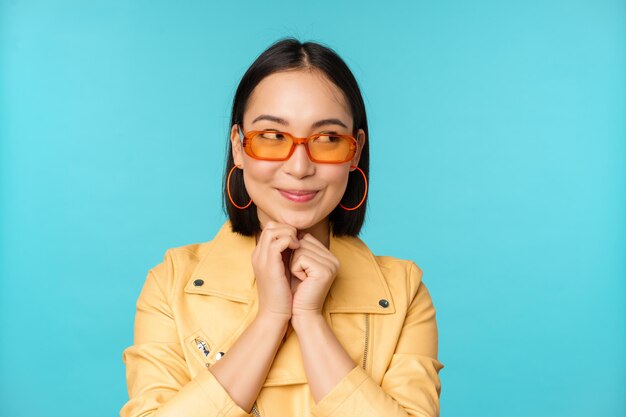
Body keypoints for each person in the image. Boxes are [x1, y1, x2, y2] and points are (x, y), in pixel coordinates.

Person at [120, 38, 444, 417]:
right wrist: (271, 318)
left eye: (327, 139)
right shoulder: (171, 283)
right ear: (238, 148)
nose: (300, 166)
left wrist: (310, 320)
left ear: (355, 151)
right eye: (272, 137)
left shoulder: (403, 291)